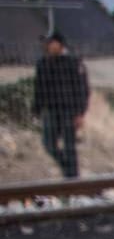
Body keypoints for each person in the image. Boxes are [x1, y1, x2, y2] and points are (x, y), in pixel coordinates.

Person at [32, 32, 88, 179]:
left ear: (59, 44)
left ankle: (73, 179)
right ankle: (68, 168)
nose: (47, 46)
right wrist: (36, 109)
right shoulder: (43, 63)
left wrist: (80, 112)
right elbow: (39, 88)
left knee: (69, 146)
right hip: (51, 110)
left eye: (50, 43)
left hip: (69, 110)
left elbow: (82, 89)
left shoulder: (73, 62)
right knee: (48, 144)